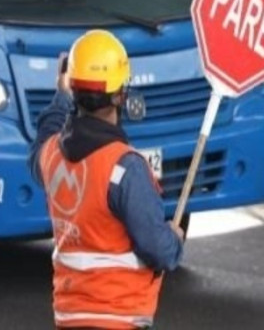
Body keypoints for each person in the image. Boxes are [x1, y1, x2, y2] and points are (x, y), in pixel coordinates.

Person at [29, 30, 184, 330]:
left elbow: (44, 137)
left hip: (69, 318)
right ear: (120, 95)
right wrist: (174, 239)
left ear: (72, 88)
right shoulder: (125, 167)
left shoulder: (50, 157)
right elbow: (159, 250)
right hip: (118, 318)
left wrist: (60, 96)